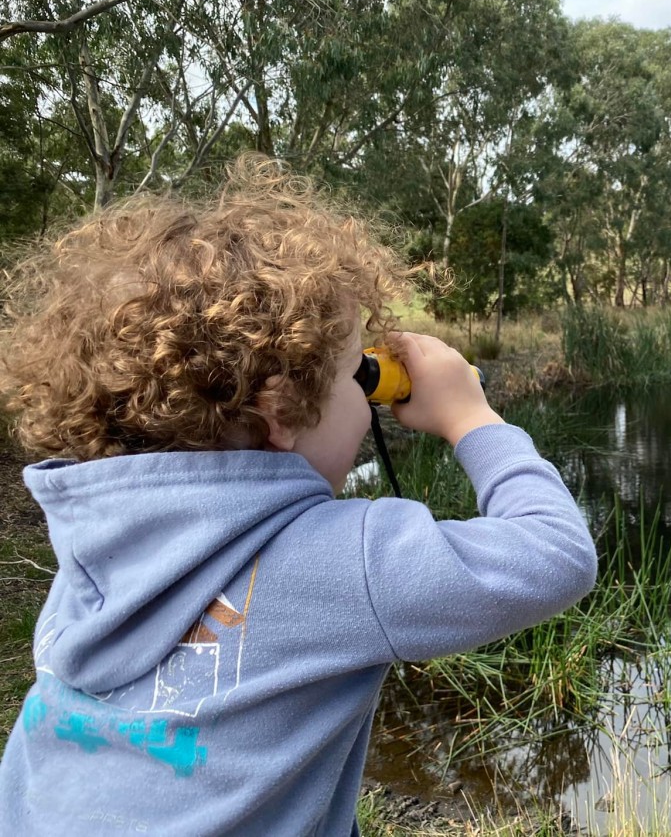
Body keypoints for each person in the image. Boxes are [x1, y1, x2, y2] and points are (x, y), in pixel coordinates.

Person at [0, 157, 597, 835]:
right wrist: (471, 416)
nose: (366, 391)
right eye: (356, 375)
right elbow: (556, 553)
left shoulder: (90, 548)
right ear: (282, 411)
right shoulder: (339, 559)